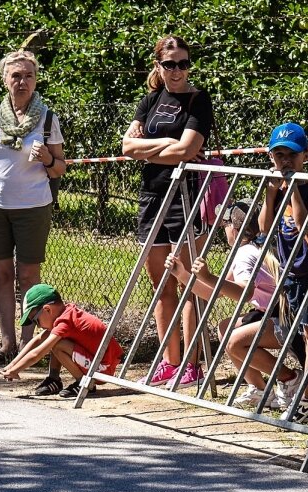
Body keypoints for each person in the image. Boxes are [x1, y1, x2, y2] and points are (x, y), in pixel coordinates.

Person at [0, 50, 66, 378]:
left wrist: (49, 158)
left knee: (28, 277)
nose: (22, 81)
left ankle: (27, 343)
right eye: (16, 75)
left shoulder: (48, 119)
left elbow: (60, 169)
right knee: (0, 275)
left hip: (32, 207)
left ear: (36, 80)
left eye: (28, 76)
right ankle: (7, 344)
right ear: (5, 79)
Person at [121, 35, 214, 388]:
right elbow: (127, 145)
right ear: (158, 65)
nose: (177, 70)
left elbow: (189, 149)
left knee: (190, 281)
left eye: (184, 63)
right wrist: (165, 147)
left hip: (186, 197)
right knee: (161, 284)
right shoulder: (149, 100)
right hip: (152, 194)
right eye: (170, 64)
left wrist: (150, 148)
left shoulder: (198, 100)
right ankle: (169, 362)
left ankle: (192, 364)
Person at [165, 200, 303, 410]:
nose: (223, 229)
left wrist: (209, 276)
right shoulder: (253, 247)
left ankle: (290, 379)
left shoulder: (246, 253)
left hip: (286, 319)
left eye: (226, 224)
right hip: (274, 314)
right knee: (225, 328)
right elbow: (214, 293)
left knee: (234, 342)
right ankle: (259, 390)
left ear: (237, 229)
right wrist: (182, 274)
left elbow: (244, 293)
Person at [258, 122, 308, 423]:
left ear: (305, 156)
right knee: (307, 335)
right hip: (290, 271)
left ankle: (306, 399)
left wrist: (293, 191)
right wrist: (271, 194)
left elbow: (304, 225)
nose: (285, 162)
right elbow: (263, 228)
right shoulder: (275, 188)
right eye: (279, 155)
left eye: (292, 155)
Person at [0, 283, 124, 399]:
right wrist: (12, 365)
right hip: (98, 364)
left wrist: (16, 371)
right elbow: (37, 340)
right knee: (55, 340)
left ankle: (85, 384)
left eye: (36, 320)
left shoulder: (65, 322)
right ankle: (54, 380)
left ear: (47, 309)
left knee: (57, 344)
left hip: (102, 369)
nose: (38, 326)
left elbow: (37, 353)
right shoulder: (65, 314)